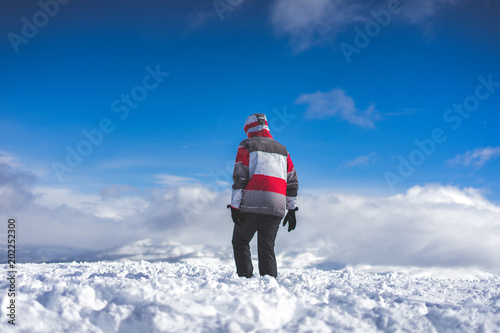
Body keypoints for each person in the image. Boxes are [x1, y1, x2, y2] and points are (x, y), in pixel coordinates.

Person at [228, 113, 299, 278]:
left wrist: (235, 206)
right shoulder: (283, 150)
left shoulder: (247, 145)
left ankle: (245, 279)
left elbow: (240, 177)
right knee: (267, 247)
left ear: (248, 129)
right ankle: (269, 285)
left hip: (251, 204)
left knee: (240, 241)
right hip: (277, 206)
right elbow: (292, 181)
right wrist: (292, 209)